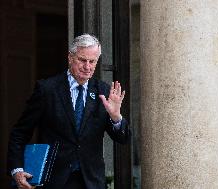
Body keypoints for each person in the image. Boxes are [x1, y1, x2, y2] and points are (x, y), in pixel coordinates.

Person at [7, 34, 131, 189]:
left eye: (92, 61)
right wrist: (17, 169)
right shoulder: (47, 90)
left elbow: (123, 139)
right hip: (55, 181)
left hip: (91, 182)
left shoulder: (104, 92)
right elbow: (20, 132)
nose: (87, 66)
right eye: (82, 60)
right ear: (70, 57)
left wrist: (116, 117)